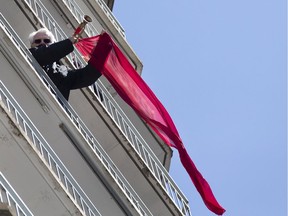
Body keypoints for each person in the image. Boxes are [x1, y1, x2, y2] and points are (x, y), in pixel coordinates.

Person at [28, 28, 101, 100]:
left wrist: (100, 51)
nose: (42, 43)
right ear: (32, 45)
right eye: (37, 41)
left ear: (53, 44)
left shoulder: (63, 71)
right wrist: (69, 41)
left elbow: (86, 76)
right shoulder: (29, 54)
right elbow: (44, 54)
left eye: (46, 40)